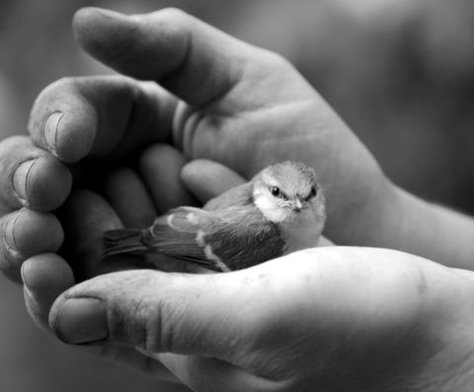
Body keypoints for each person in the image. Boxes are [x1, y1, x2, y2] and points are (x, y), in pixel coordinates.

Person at [1, 7, 474, 391]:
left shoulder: (298, 216)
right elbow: (201, 243)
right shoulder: (263, 235)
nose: (295, 206)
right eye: (279, 195)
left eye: (305, 198)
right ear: (262, 189)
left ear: (317, 194)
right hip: (179, 244)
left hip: (180, 225)